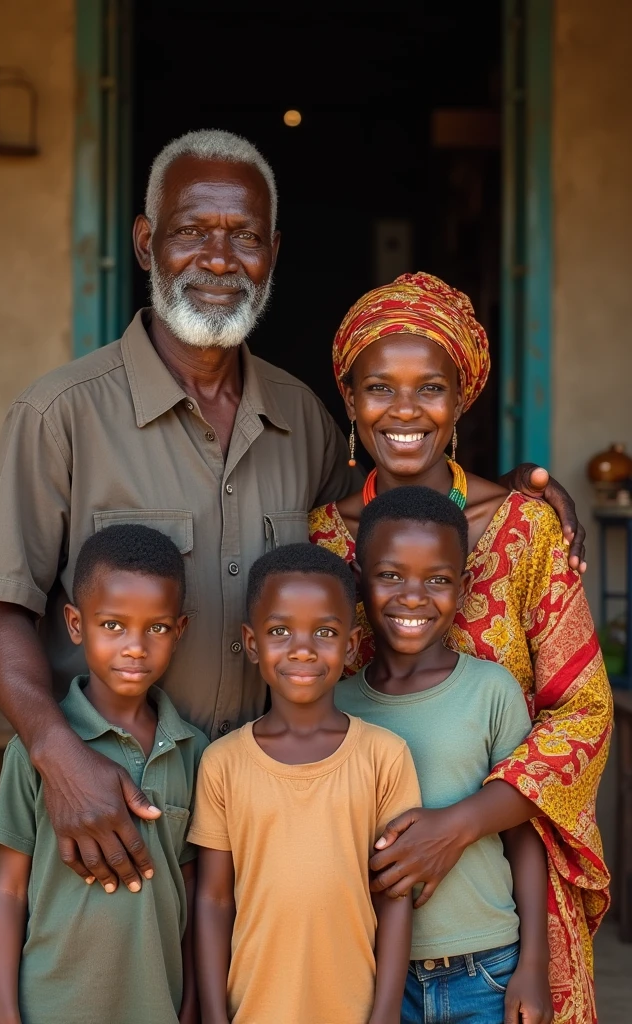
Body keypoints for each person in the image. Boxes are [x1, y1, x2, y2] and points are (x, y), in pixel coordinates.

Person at [0, 129, 585, 898]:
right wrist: (59, 757)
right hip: (115, 805)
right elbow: (2, 605)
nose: (220, 259)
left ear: (274, 252)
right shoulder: (60, 414)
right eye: (192, 230)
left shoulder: (305, 420)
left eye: (245, 237)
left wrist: (522, 494)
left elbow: (392, 522)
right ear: (144, 242)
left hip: (274, 827)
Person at [309, 272, 612, 1024]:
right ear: (349, 402)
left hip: (500, 925)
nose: (404, 410)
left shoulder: (526, 528)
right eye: (379, 388)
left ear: (461, 399)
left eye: (430, 389)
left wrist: (463, 823)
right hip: (358, 918)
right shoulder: (319, 539)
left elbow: (583, 713)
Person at [336, 486, 552, 1024]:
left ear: (462, 585)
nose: (413, 596)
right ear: (359, 578)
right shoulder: (334, 704)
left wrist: (534, 964)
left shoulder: (491, 690)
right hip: (377, 976)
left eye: (437, 579)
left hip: (488, 968)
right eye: (390, 575)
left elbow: (523, 834)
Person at [0, 524, 207, 1024]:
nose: (135, 646)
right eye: (113, 625)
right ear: (76, 624)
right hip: (52, 1005)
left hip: (157, 1005)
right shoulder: (37, 753)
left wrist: (191, 1003)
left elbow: (192, 889)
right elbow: (8, 889)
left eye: (158, 628)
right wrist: (1, 1007)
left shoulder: (195, 751)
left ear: (180, 630)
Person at [189, 543, 421, 1024]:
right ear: (252, 644)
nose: (301, 648)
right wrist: (214, 1016)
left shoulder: (385, 756)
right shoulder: (222, 763)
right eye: (279, 631)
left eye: (325, 632)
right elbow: (213, 900)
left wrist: (385, 1015)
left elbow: (395, 896)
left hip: (353, 1010)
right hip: (252, 1009)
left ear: (352, 646)